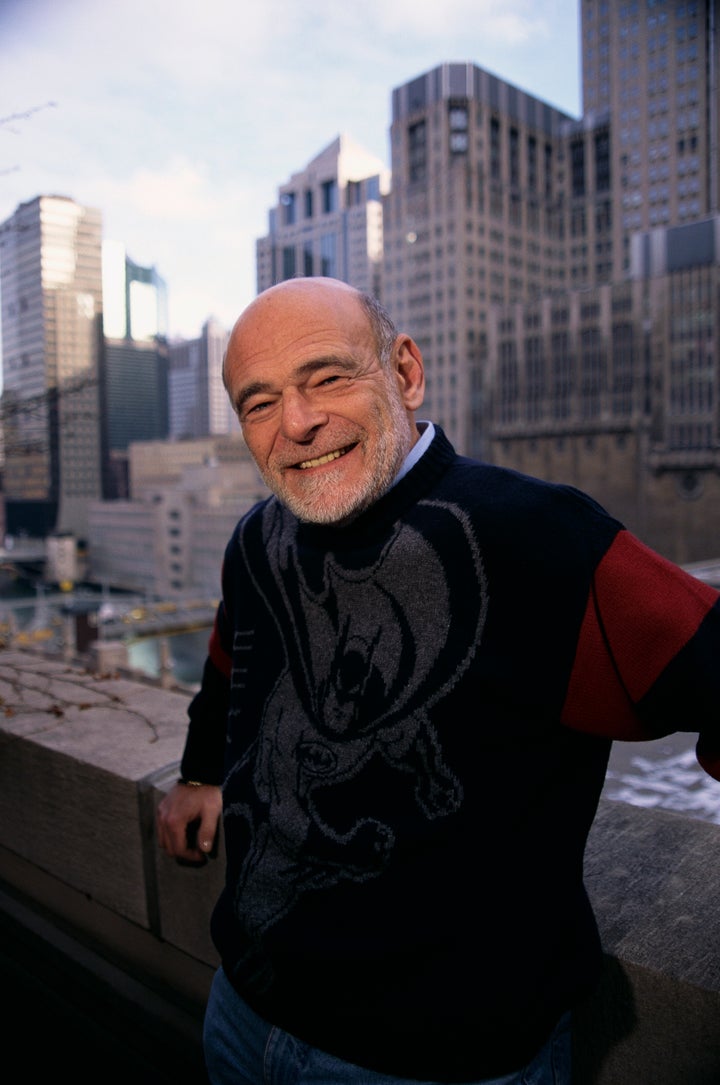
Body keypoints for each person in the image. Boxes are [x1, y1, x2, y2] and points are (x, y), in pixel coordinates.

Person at [156, 276, 720, 1085]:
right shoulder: (259, 538)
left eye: (326, 377)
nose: (298, 421)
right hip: (243, 1014)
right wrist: (201, 770)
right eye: (259, 401)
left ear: (406, 372)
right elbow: (229, 659)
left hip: (439, 1067)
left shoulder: (540, 536)